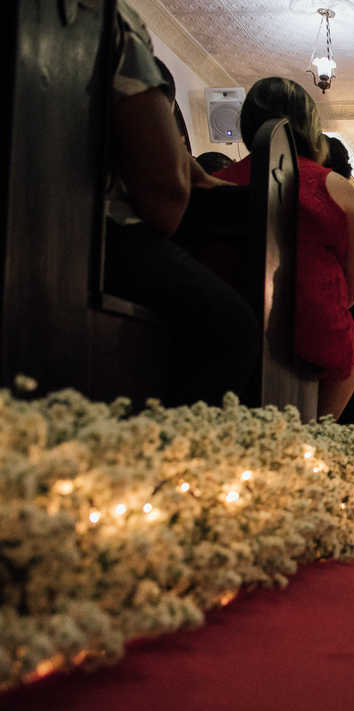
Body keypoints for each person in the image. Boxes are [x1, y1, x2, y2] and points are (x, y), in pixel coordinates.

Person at [104, 1, 259, 407]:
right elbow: (164, 198)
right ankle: (173, 462)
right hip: (95, 235)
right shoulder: (107, 18)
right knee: (232, 327)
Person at [215, 76, 354, 420]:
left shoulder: (221, 180)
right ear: (310, 127)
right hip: (311, 328)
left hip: (230, 321)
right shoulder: (336, 187)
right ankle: (315, 432)